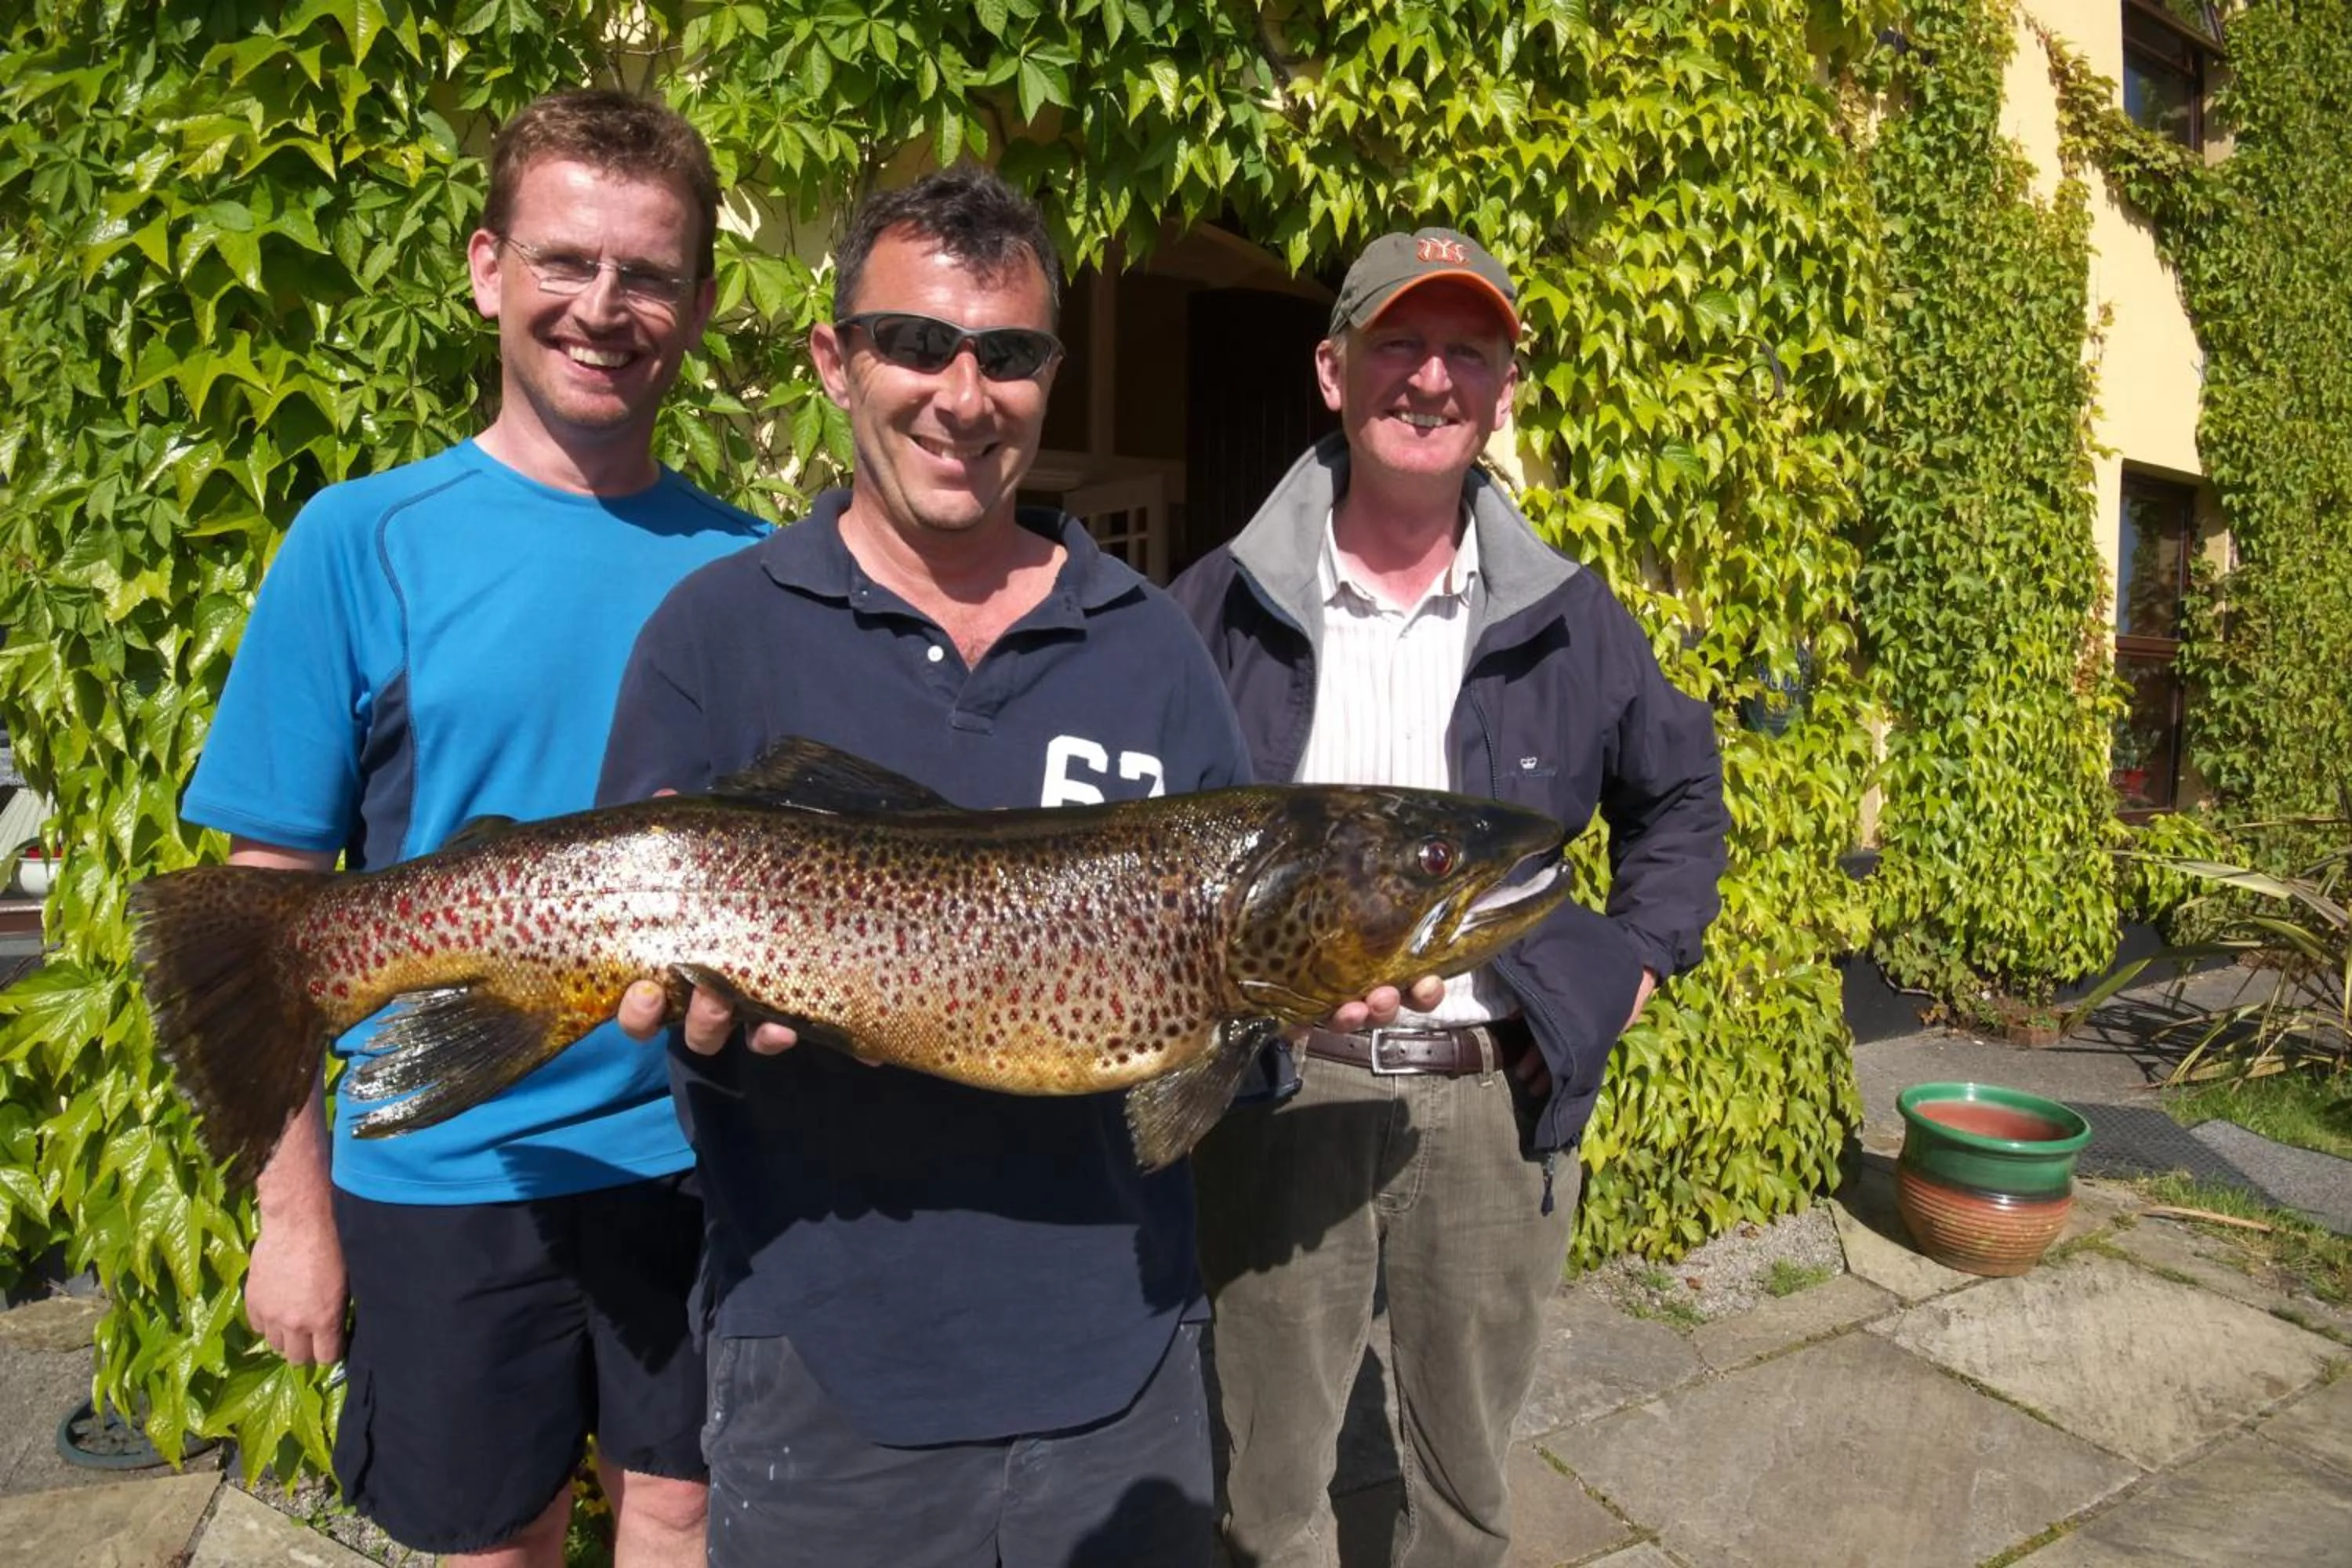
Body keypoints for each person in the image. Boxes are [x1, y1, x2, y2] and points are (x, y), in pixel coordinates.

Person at [597, 165, 1253, 1568]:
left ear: (1049, 377)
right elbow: (636, 970)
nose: (964, 394)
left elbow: (1218, 1060)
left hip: (1123, 1360)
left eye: (1008, 354)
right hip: (821, 1363)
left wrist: (1281, 1013)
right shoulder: (716, 633)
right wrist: (686, 1012)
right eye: (915, 343)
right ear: (835, 360)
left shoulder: (1152, 645)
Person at [178, 89, 764, 1567]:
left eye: (649, 275)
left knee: (686, 1517)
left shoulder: (753, 573)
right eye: (566, 261)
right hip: (446, 1161)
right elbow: (266, 920)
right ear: (488, 269)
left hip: (696, 1157)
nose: (604, 308)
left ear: (699, 306)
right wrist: (291, 1216)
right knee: (489, 1544)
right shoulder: (359, 540)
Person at [1169, 227, 1730, 1568]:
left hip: (1493, 1103)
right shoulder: (1216, 607)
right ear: (1332, 371)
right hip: (1283, 1096)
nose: (1431, 380)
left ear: (1503, 391)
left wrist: (1630, 968)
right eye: (1400, 345)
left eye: (1467, 354)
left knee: (1469, 1490)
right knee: (1267, 1491)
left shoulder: (1572, 617)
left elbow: (1682, 799)